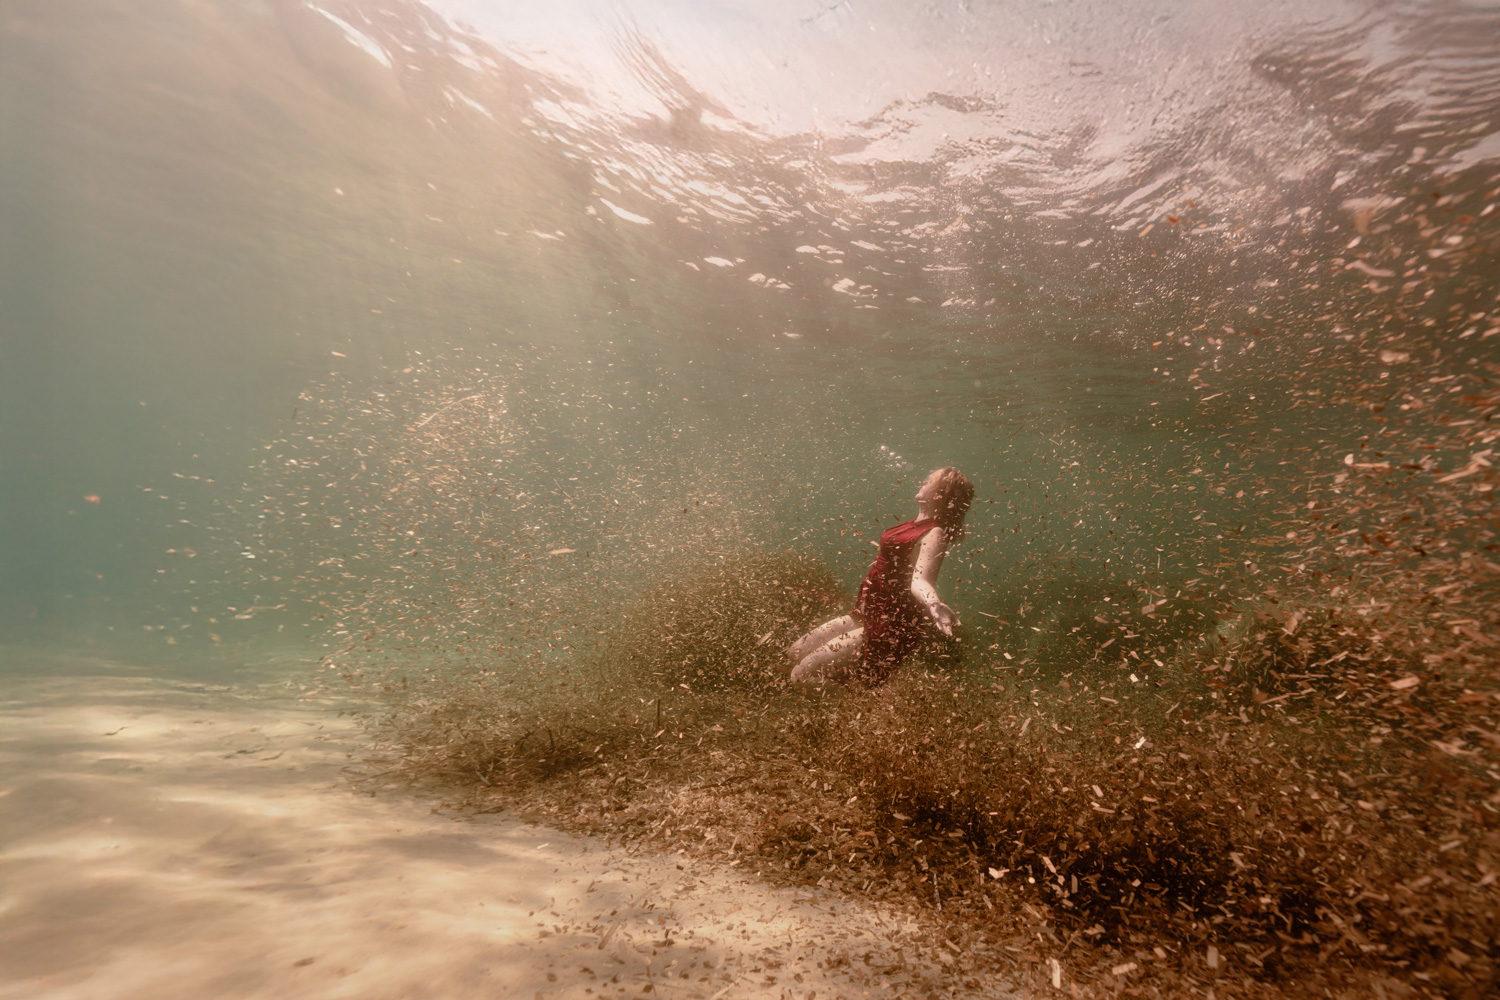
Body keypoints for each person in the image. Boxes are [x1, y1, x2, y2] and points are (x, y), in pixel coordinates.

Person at [789, 467, 975, 688]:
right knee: (796, 652)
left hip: (891, 620)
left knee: (801, 676)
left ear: (940, 494)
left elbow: (921, 580)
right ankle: (854, 693)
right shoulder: (915, 524)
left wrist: (933, 603)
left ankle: (857, 705)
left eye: (929, 481)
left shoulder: (935, 533)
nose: (922, 482)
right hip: (871, 610)